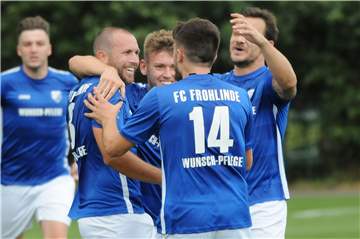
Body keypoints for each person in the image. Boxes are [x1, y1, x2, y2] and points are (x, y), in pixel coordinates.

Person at [84, 18, 254, 238]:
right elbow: (247, 162)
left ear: (179, 54)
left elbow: (113, 149)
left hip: (187, 216)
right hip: (235, 214)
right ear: (214, 55)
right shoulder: (240, 96)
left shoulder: (162, 97)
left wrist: (107, 118)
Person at [68, 29, 175, 225]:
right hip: (140, 214)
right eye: (160, 66)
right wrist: (106, 70)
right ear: (144, 67)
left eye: (173, 67)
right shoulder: (127, 93)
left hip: (180, 213)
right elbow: (75, 61)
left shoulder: (191, 100)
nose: (167, 74)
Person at [223, 7, 297, 238]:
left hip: (263, 202)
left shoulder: (268, 81)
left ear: (269, 45)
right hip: (222, 201)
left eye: (249, 34)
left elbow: (288, 84)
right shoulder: (217, 84)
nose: (240, 40)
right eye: (236, 33)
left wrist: (261, 43)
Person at [1, 16, 77, 239]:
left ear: (49, 49)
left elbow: (87, 121)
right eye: (27, 44)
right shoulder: (5, 83)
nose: (33, 49)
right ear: (19, 50)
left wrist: (81, 159)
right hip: (10, 181)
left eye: (39, 43)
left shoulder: (67, 82)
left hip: (55, 178)